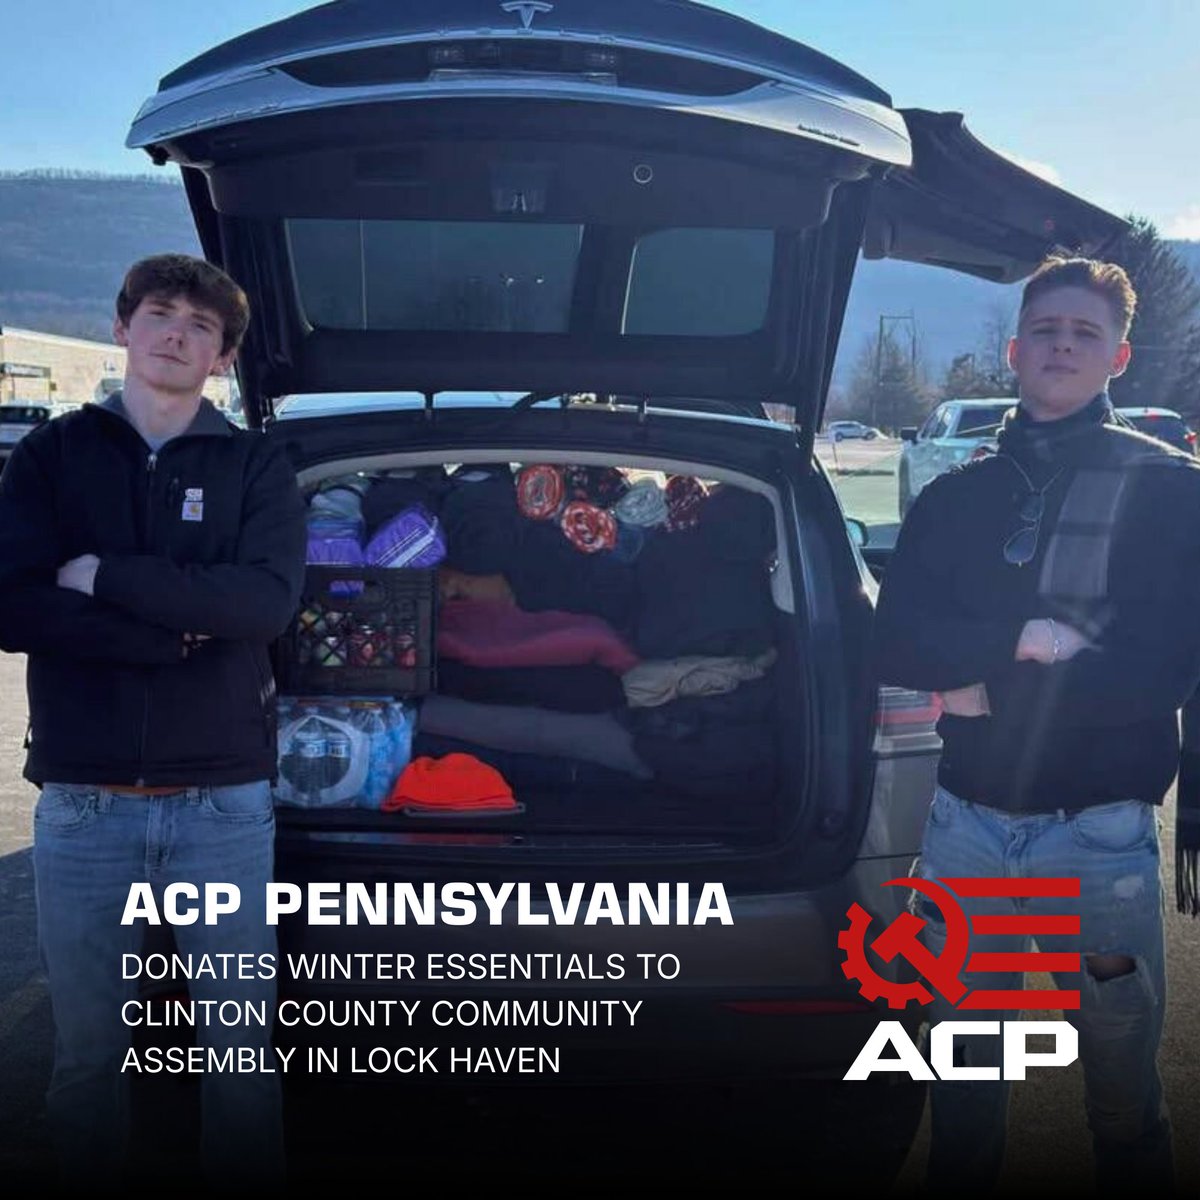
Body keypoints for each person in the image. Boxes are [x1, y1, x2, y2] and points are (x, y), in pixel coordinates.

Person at [874, 255, 1200, 1194]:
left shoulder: (1170, 492)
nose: (1062, 345)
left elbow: (1162, 670)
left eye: (1084, 333)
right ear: (1014, 350)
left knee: (1122, 1093)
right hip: (964, 829)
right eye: (1046, 330)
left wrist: (983, 689)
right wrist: (1022, 641)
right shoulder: (956, 495)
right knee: (963, 1090)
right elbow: (895, 641)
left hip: (1100, 840)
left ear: (1119, 357)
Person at [0, 254, 307, 1187]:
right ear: (122, 328)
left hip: (223, 805)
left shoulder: (255, 464)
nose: (178, 332)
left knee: (239, 1060)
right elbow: (12, 605)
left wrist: (107, 577)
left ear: (223, 358)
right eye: (161, 313)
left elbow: (263, 605)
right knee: (87, 1059)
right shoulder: (52, 456)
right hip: (83, 802)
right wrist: (169, 634)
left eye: (201, 325)